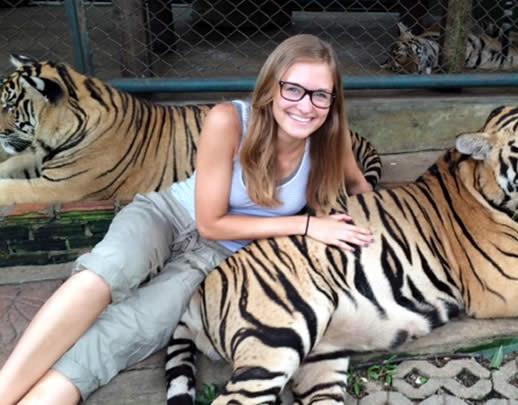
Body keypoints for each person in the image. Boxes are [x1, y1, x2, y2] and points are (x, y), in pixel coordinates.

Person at [0, 34, 374, 404]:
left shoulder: (328, 142)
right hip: (169, 214)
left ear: (333, 100)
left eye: (320, 94)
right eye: (293, 89)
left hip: (216, 259)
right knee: (108, 270)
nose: (306, 106)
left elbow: (363, 191)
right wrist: (307, 225)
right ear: (271, 88)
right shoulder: (229, 120)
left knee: (129, 331)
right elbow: (211, 222)